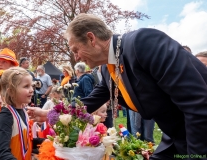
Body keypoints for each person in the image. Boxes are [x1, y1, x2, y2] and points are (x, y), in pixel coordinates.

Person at [61, 13, 207, 159]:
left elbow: (197, 103)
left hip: (199, 134)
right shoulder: (107, 69)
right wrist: (54, 113)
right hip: (177, 137)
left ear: (91, 38)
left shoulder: (142, 42)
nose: (76, 58)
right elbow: (90, 101)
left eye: (75, 50)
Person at [0, 67, 33, 159]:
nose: (31, 89)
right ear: (11, 91)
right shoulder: (5, 116)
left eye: (32, 85)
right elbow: (2, 152)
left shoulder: (24, 111)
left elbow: (26, 141)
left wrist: (46, 142)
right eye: (26, 86)